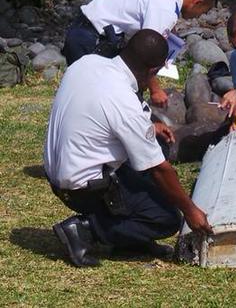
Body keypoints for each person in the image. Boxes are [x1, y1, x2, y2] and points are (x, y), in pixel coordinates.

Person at [45, 30, 213, 268]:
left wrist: (150, 128)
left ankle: (130, 239)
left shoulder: (87, 62)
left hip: (58, 172)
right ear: (152, 71)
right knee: (164, 219)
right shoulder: (123, 100)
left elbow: (99, 115)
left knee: (159, 148)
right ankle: (85, 229)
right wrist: (190, 210)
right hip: (83, 188)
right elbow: (160, 171)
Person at [61, 0, 218, 107]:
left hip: (84, 28)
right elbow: (145, 55)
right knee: (91, 99)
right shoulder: (165, 10)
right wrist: (155, 90)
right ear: (197, 2)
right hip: (91, 39)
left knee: (88, 94)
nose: (198, 17)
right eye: (202, 12)